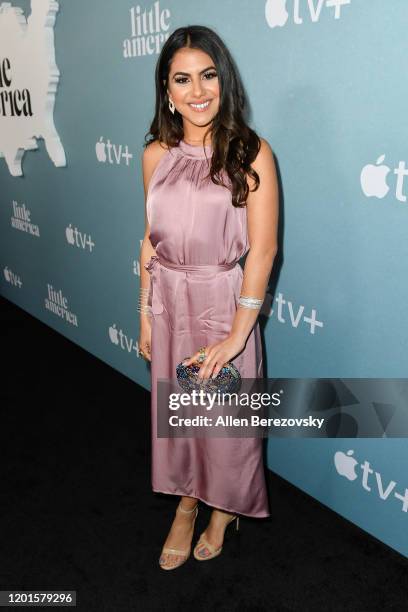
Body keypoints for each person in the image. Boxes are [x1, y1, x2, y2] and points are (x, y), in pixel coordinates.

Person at [138, 25, 278, 570]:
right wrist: (145, 313)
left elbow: (262, 252)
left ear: (224, 80)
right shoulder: (155, 155)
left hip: (224, 305)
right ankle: (187, 500)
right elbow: (147, 240)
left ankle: (224, 508)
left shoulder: (251, 152)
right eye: (182, 79)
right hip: (170, 303)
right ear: (167, 92)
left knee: (225, 421)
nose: (198, 91)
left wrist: (237, 338)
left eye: (208, 75)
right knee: (181, 414)